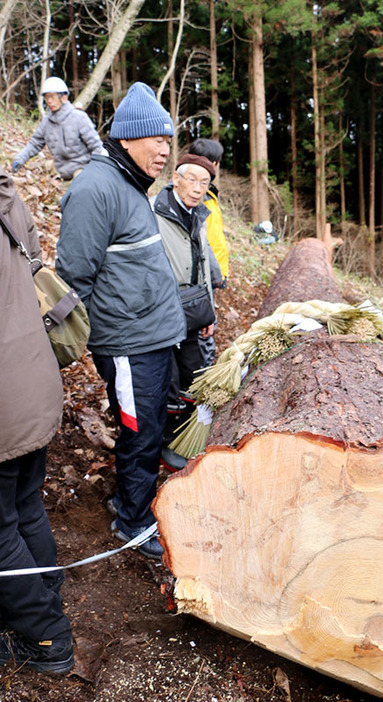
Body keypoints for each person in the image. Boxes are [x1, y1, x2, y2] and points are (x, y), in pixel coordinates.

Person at [55, 82, 186, 560]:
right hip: (128, 345)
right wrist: (76, 349)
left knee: (151, 427)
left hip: (154, 338)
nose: (165, 151)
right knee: (139, 432)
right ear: (130, 138)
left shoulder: (130, 183)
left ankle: (133, 499)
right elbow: (73, 280)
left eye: (169, 142)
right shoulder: (96, 189)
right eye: (158, 141)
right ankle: (133, 522)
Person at [0, 165, 74, 673]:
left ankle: (48, 638)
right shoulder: (7, 192)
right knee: (25, 502)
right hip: (33, 378)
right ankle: (44, 588)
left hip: (5, 399)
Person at [153, 153, 218, 471]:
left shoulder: (200, 215)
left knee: (194, 379)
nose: (197, 188)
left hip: (195, 311)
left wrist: (211, 314)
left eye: (204, 183)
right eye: (191, 179)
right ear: (175, 178)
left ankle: (185, 439)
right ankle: (165, 444)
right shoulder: (153, 212)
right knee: (168, 381)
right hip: (163, 311)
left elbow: (206, 266)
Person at [12, 76, 103, 188]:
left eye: (52, 97)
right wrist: (19, 159)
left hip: (84, 171)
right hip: (64, 175)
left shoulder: (79, 117)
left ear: (63, 97)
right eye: (47, 97)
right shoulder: (46, 123)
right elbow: (34, 144)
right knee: (66, 203)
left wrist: (97, 170)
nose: (49, 101)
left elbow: (96, 146)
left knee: (80, 197)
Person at [188, 138, 229, 367]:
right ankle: (203, 379)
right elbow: (203, 243)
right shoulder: (198, 196)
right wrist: (216, 275)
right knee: (205, 326)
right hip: (204, 275)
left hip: (213, 273)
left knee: (207, 325)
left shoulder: (209, 195)